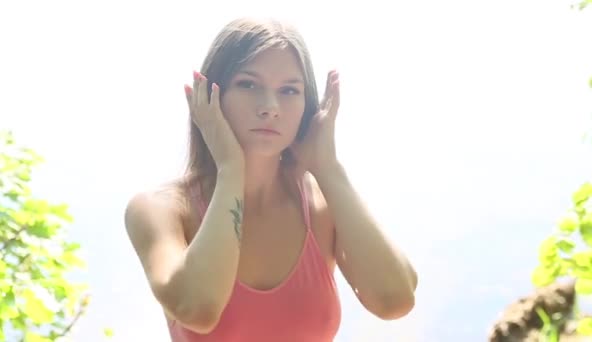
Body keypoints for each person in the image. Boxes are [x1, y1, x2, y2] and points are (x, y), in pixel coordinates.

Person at [124, 17, 418, 342]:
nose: (270, 107)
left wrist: (329, 168)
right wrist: (230, 170)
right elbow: (199, 309)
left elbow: (396, 300)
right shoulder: (161, 209)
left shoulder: (321, 205)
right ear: (211, 94)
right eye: (248, 84)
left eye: (289, 90)